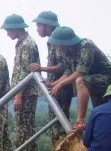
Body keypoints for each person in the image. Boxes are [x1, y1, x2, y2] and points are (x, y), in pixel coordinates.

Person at [48, 26, 111, 130]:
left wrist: (61, 84)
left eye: (58, 44)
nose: (57, 47)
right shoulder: (67, 52)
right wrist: (54, 84)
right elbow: (68, 72)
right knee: (101, 113)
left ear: (64, 43)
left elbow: (80, 73)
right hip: (92, 81)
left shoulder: (86, 46)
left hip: (107, 78)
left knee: (80, 81)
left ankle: (80, 120)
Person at [2, 14, 40, 151]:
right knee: (20, 127)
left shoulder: (27, 45)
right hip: (21, 92)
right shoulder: (21, 44)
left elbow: (25, 72)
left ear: (15, 28)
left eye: (8, 30)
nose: (7, 33)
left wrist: (18, 95)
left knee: (26, 126)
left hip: (26, 92)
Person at [30, 11, 70, 142]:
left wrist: (41, 68)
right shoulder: (52, 40)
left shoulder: (57, 40)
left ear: (47, 26)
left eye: (39, 25)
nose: (37, 29)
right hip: (55, 87)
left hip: (61, 87)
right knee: (56, 122)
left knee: (59, 124)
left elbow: (62, 66)